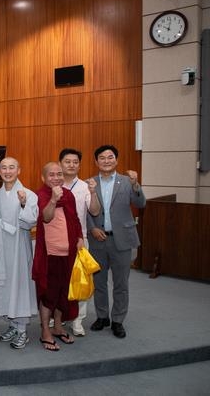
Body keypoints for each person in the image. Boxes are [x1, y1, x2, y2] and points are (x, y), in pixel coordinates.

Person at [87, 145, 146, 339]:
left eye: (110, 157)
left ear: (116, 160)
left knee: (121, 283)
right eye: (102, 158)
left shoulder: (127, 181)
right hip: (98, 239)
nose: (106, 160)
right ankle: (102, 316)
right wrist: (92, 228)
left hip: (122, 239)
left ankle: (118, 320)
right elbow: (83, 211)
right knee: (99, 282)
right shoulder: (89, 183)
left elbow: (140, 204)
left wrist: (136, 185)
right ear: (96, 162)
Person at [32, 162, 83, 351]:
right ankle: (45, 330)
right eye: (51, 175)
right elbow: (45, 217)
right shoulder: (40, 195)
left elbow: (75, 219)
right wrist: (53, 199)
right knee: (48, 294)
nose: (56, 178)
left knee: (64, 293)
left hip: (69, 252)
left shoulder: (68, 195)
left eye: (59, 174)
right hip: (50, 254)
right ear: (44, 178)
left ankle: (58, 326)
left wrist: (80, 237)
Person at [0, 157, 38, 350]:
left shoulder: (28, 194)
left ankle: (22, 330)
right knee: (5, 285)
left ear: (19, 170)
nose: (7, 171)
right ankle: (12, 325)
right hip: (1, 247)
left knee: (20, 286)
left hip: (19, 247)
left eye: (12, 168)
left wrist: (25, 204)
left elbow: (30, 222)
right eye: (4, 168)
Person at [59, 148, 101, 337]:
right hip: (57, 241)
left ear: (79, 164)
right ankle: (57, 316)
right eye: (67, 161)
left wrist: (93, 193)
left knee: (80, 281)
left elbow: (94, 211)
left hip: (79, 241)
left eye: (75, 162)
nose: (71, 165)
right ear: (60, 163)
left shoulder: (85, 186)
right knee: (59, 280)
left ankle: (78, 320)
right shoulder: (54, 184)